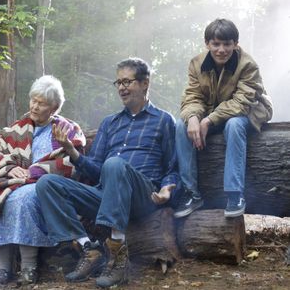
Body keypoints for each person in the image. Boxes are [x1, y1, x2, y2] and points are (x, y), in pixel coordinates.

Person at [36, 58, 180, 288]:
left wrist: (166, 189)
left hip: (142, 195)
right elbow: (95, 169)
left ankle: (117, 256)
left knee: (114, 164)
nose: (122, 87)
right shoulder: (109, 123)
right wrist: (71, 150)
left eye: (127, 81)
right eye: (118, 82)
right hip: (107, 195)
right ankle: (88, 249)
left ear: (145, 83)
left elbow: (173, 167)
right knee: (47, 183)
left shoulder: (164, 120)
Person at [0, 75, 86, 286]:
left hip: (45, 187)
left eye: (41, 103)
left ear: (54, 107)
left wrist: (33, 172)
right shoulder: (15, 129)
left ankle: (28, 268)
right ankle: (3, 268)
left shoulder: (67, 129)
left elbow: (69, 163)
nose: (34, 107)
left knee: (22, 199)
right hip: (11, 182)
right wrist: (11, 168)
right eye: (33, 100)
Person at [174, 18, 273, 219]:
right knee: (180, 125)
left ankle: (235, 194)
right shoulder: (196, 63)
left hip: (249, 110)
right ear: (207, 43)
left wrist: (209, 120)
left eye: (227, 44)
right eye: (216, 44)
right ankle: (191, 193)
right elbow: (193, 96)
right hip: (215, 111)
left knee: (234, 125)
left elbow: (242, 102)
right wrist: (193, 117)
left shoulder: (248, 65)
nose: (221, 50)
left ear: (235, 44)